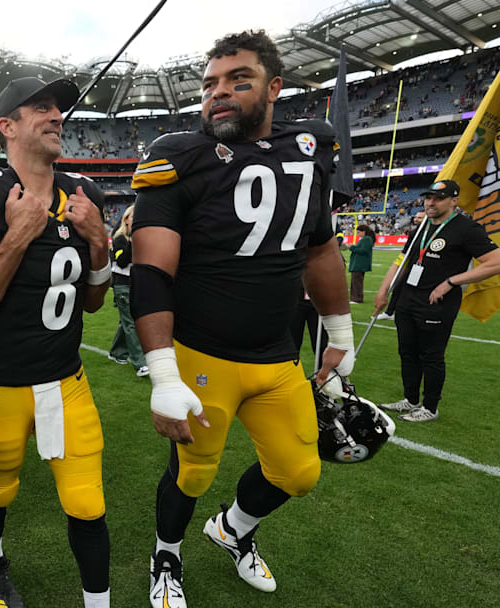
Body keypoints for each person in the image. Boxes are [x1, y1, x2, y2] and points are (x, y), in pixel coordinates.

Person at [129, 31, 354, 608]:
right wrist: (162, 373)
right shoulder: (177, 155)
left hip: (278, 356)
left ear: (274, 88)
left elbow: (321, 248)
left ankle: (231, 530)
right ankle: (166, 555)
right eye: (209, 85)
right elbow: (152, 270)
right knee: (192, 473)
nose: (218, 93)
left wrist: (340, 333)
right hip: (203, 353)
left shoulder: (309, 148)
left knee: (299, 471)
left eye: (238, 81)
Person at [0, 77, 113, 608]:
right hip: (1, 386)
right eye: (41, 108)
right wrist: (17, 236)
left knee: (87, 502)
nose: (57, 116)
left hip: (67, 382)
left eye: (59, 109)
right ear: (7, 127)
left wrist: (99, 243)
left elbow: (95, 303)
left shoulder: (84, 195)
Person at [374, 180, 500, 422]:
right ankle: (410, 400)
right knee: (407, 352)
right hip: (407, 300)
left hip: (437, 304)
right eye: (428, 197)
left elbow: (496, 261)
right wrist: (383, 291)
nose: (431, 202)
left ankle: (430, 407)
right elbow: (401, 262)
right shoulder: (420, 229)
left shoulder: (466, 229)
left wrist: (452, 281)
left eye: (438, 198)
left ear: (454, 201)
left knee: (431, 355)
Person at [108, 205, 149, 376]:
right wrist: (132, 241)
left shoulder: (143, 238)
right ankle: (140, 363)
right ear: (126, 219)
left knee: (126, 321)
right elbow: (123, 261)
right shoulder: (119, 239)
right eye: (133, 217)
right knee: (132, 323)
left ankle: (117, 352)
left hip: (137, 283)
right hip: (123, 283)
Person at [347, 223, 375, 303]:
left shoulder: (367, 239)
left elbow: (363, 250)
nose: (358, 234)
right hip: (358, 264)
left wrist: (352, 247)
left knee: (357, 282)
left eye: (359, 232)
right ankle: (353, 298)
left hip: (360, 264)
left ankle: (357, 299)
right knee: (354, 282)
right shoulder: (365, 239)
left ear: (364, 232)